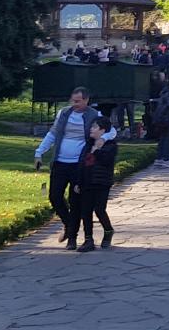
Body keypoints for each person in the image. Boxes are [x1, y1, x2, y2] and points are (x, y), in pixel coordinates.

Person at [34, 87, 101, 251]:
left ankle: (72, 238)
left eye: (78, 101)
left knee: (75, 201)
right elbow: (53, 134)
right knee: (55, 196)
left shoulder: (95, 115)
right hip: (60, 162)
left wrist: (102, 141)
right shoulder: (64, 113)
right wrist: (39, 152)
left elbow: (109, 131)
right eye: (73, 101)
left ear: (86, 100)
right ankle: (69, 224)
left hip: (79, 164)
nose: (75, 104)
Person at [73, 116, 119, 251]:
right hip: (87, 182)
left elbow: (106, 160)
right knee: (86, 210)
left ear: (103, 130)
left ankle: (108, 230)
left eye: (94, 127)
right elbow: (81, 164)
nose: (91, 129)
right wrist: (78, 182)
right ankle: (88, 240)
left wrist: (97, 151)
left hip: (101, 183)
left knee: (99, 209)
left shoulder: (110, 145)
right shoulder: (88, 145)